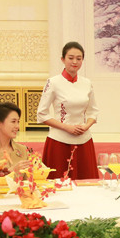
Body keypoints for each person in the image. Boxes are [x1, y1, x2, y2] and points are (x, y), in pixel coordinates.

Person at [37, 42, 99, 179]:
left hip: (84, 140)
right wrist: (67, 127)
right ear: (62, 59)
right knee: (58, 184)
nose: (74, 62)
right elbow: (42, 114)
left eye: (79, 58)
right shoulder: (53, 82)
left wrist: (86, 126)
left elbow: (93, 111)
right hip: (59, 141)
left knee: (86, 184)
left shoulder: (87, 83)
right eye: (70, 58)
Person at [0, 103, 30, 169]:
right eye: (13, 121)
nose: (17, 126)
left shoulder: (23, 150)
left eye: (18, 122)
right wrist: (12, 171)